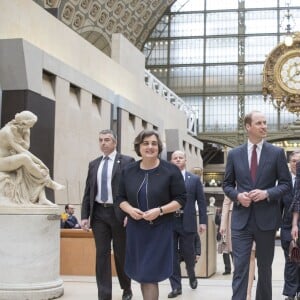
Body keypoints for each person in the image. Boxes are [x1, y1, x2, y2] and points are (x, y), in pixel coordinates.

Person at [223, 110, 291, 300]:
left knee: (265, 270)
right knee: (241, 269)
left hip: (266, 221)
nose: (264, 126)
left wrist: (267, 193)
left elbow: (286, 185)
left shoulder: (276, 153)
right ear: (248, 127)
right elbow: (227, 184)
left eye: (265, 123)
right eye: (259, 123)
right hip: (241, 221)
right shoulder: (234, 154)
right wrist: (238, 196)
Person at [116, 130, 186, 300]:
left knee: (148, 276)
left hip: (160, 230)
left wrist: (160, 210)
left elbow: (181, 199)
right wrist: (130, 210)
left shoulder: (171, 170)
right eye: (146, 143)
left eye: (154, 143)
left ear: (159, 147)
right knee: (141, 274)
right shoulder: (128, 170)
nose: (150, 147)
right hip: (136, 230)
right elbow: (120, 198)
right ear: (138, 147)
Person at [81, 129, 135, 300]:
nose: (103, 143)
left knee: (121, 253)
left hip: (119, 213)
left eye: (107, 140)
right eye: (100, 140)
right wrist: (84, 216)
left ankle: (126, 287)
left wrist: (130, 213)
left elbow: (132, 190)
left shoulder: (127, 161)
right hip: (98, 214)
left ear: (115, 142)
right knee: (101, 253)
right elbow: (88, 191)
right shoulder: (93, 164)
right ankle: (104, 295)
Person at [0, 110, 64, 206]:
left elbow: (26, 147)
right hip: (2, 161)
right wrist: (41, 162)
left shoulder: (25, 129)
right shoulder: (6, 132)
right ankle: (49, 182)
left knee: (34, 166)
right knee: (25, 159)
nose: (32, 127)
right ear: (23, 123)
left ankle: (42, 198)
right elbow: (23, 151)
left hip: (12, 159)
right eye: (30, 125)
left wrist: (23, 136)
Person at [167, 150, 207, 298]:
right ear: (171, 161)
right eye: (175, 158)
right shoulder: (167, 178)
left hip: (188, 221)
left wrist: (203, 221)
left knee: (189, 255)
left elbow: (201, 202)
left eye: (180, 157)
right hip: (170, 222)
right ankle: (176, 287)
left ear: (185, 160)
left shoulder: (194, 180)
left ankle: (191, 274)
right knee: (171, 256)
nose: (178, 160)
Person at [283, 151, 300, 300]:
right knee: (291, 261)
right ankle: (290, 293)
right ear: (290, 163)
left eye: (299, 161)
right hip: (287, 228)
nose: (296, 163)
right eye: (294, 161)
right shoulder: (284, 182)